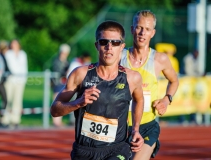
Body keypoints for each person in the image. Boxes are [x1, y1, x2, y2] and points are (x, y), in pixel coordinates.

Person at [51, 20, 144, 160]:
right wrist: (78, 103)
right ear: (97, 45)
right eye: (103, 42)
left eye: (115, 43)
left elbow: (139, 99)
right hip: (84, 151)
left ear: (122, 47)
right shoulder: (80, 74)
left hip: (116, 150)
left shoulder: (132, 78)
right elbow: (55, 110)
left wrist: (136, 129)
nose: (109, 47)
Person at [120, 10, 179, 160]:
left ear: (152, 33)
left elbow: (174, 80)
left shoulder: (160, 59)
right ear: (132, 29)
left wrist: (166, 99)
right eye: (139, 27)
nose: (142, 33)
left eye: (146, 29)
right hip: (119, 127)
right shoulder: (119, 57)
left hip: (147, 126)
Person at [1, 39, 28, 129]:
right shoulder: (8, 53)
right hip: (10, 79)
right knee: (7, 99)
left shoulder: (22, 54)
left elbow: (24, 67)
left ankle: (15, 119)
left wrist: (23, 78)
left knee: (17, 100)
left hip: (20, 80)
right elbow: (9, 66)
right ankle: (5, 119)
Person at [66, 51, 91, 125]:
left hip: (84, 87)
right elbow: (69, 74)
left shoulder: (87, 64)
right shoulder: (75, 63)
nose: (88, 60)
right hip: (75, 86)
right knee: (74, 102)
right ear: (84, 57)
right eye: (87, 58)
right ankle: (72, 120)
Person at [50, 43, 70, 127]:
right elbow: (57, 71)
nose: (64, 54)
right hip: (57, 83)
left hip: (63, 84)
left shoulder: (66, 61)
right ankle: (55, 121)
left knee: (61, 102)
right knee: (56, 101)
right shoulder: (56, 61)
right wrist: (64, 73)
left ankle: (59, 120)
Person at [183, 49, 202, 125]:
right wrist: (198, 75)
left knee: (194, 100)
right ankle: (182, 119)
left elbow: (197, 70)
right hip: (185, 83)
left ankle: (193, 118)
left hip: (193, 84)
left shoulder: (196, 59)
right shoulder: (187, 59)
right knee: (184, 100)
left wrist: (201, 74)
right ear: (194, 53)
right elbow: (188, 72)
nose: (197, 55)